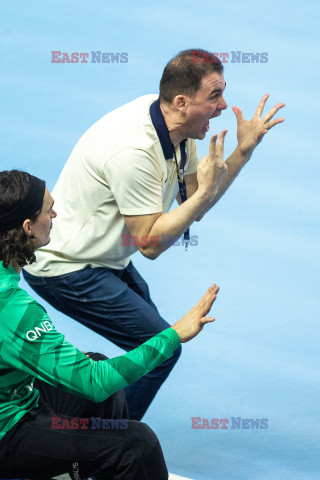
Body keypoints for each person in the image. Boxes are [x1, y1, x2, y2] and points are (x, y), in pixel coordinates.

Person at [23, 48, 285, 421]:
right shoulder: (133, 150)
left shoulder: (180, 126)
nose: (224, 105)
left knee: (152, 349)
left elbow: (195, 198)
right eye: (214, 96)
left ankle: (86, 435)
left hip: (104, 257)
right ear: (181, 102)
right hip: (65, 267)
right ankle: (104, 454)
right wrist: (206, 193)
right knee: (161, 348)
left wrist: (242, 151)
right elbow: (150, 244)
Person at [0, 169, 219, 480]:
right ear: (27, 228)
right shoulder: (12, 309)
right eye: (48, 210)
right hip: (7, 432)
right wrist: (172, 335)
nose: (56, 213)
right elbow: (94, 381)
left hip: (18, 396)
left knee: (99, 377)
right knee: (137, 444)